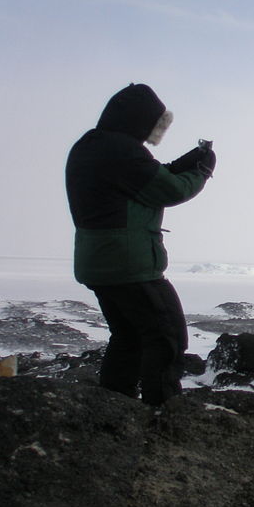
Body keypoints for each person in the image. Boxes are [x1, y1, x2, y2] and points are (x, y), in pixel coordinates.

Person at [65, 83, 216, 405]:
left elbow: (139, 181)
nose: (153, 133)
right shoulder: (122, 150)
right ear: (140, 120)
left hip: (98, 261)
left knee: (128, 337)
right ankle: (160, 412)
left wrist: (178, 166)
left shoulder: (91, 145)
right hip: (128, 263)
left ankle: (114, 406)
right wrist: (201, 171)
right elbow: (169, 191)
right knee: (167, 337)